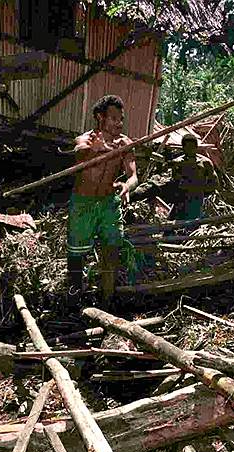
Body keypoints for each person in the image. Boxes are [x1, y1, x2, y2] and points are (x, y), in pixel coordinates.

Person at [68, 94, 138, 305]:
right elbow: (80, 152)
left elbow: (133, 175)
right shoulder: (86, 139)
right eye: (114, 118)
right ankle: (73, 302)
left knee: (112, 251)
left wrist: (127, 186)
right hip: (83, 203)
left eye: (121, 119)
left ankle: (107, 303)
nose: (119, 123)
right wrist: (95, 149)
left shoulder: (124, 144)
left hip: (109, 203)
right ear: (100, 117)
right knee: (76, 256)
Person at [169, 133, 218, 220]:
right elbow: (174, 180)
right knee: (173, 225)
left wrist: (201, 189)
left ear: (196, 147)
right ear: (183, 148)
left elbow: (214, 182)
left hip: (197, 199)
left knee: (194, 225)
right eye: (187, 147)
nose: (190, 150)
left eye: (192, 147)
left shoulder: (205, 163)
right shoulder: (177, 162)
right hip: (181, 199)